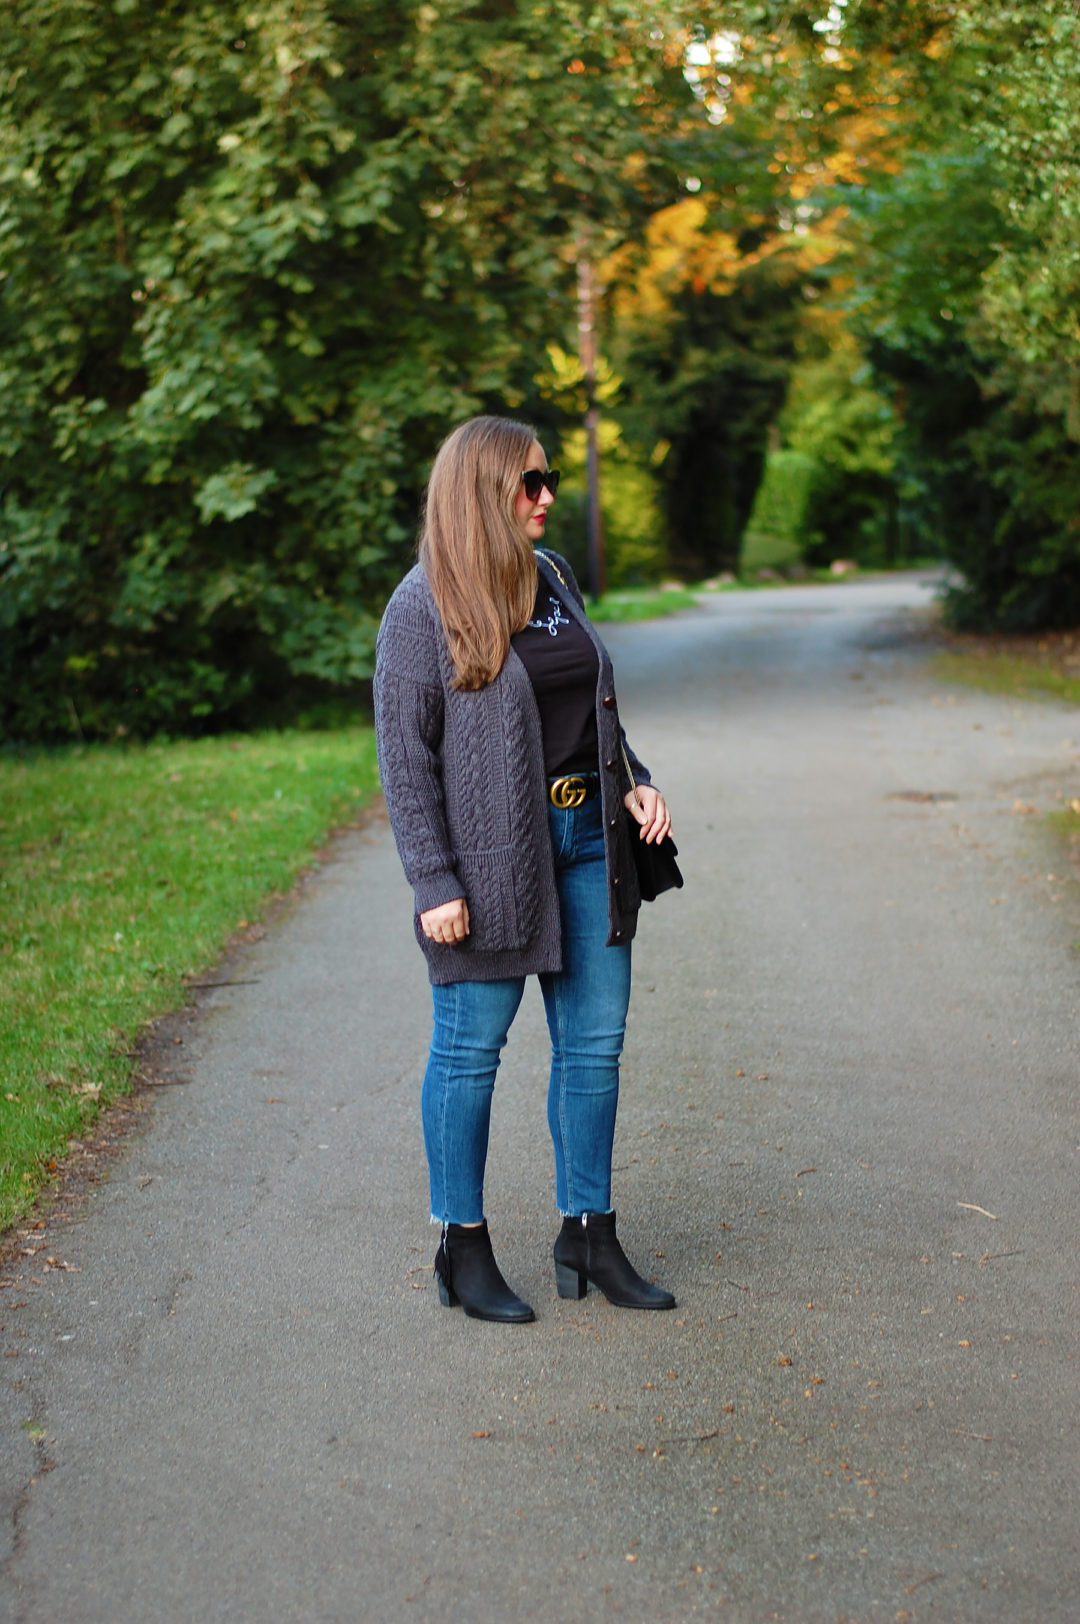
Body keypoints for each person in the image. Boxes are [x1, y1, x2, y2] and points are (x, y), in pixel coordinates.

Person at [374, 414, 676, 1324]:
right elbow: (405, 756)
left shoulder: (554, 578)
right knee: (471, 1051)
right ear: (481, 492)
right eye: (530, 483)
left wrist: (635, 782)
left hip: (592, 845)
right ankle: (461, 1249)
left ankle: (588, 1231)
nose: (548, 497)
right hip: (492, 856)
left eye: (549, 481)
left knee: (594, 1046)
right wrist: (434, 882)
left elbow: (594, 705)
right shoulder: (421, 605)